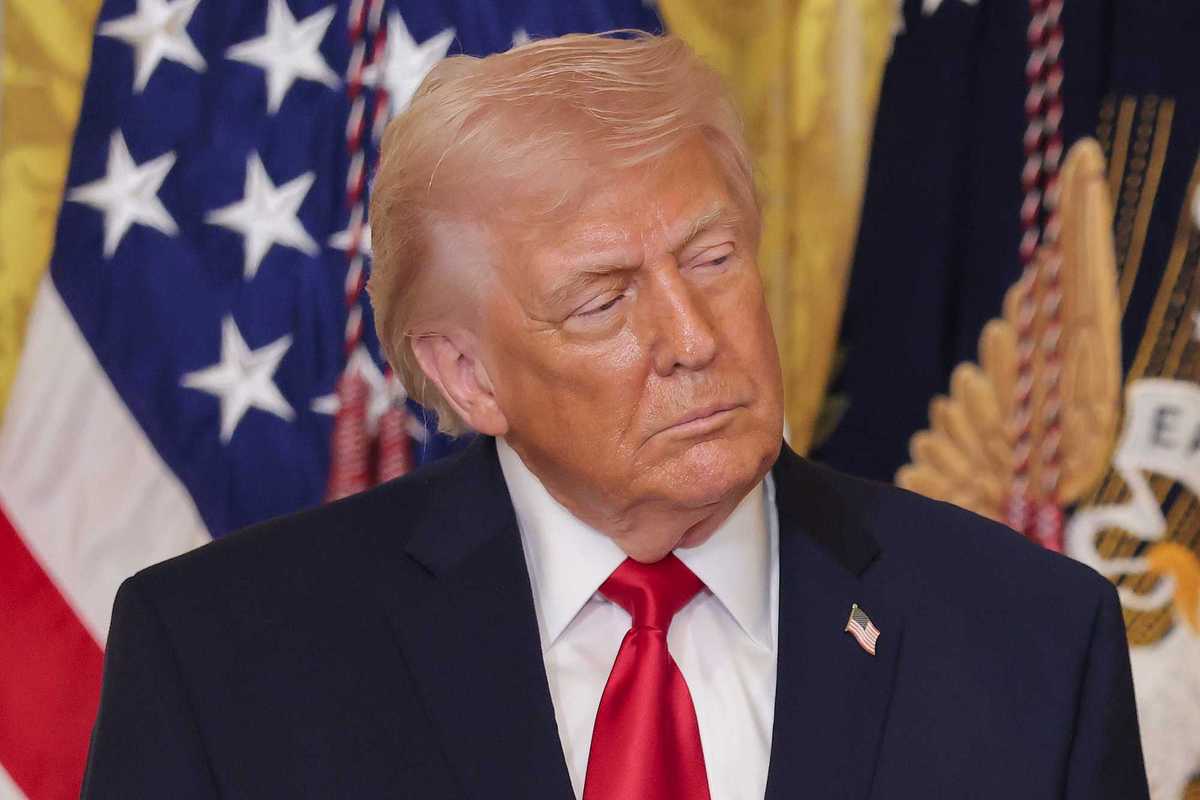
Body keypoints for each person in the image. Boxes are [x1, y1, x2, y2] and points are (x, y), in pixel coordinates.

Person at [82, 32, 1149, 800]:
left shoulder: (1032, 638)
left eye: (713, 258)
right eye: (603, 301)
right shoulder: (225, 659)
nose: (693, 336)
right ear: (468, 376)